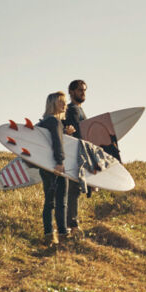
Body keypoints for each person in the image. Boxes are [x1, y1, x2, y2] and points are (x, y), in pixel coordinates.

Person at [38, 91, 69, 245]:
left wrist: (65, 132)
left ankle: (48, 234)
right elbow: (57, 142)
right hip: (56, 165)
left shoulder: (43, 122)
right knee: (61, 201)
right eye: (60, 102)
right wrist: (60, 161)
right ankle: (63, 234)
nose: (64, 104)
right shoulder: (55, 122)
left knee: (49, 201)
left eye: (65, 102)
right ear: (52, 104)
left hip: (44, 167)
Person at [62, 79, 88, 233]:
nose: (83, 93)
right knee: (73, 189)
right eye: (79, 90)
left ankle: (71, 223)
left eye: (84, 90)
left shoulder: (79, 110)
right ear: (71, 92)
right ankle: (72, 224)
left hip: (78, 153)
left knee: (75, 189)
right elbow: (75, 132)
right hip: (73, 153)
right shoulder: (71, 109)